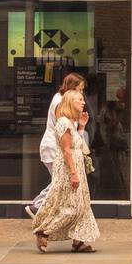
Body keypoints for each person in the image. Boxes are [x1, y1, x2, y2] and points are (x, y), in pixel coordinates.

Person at [30, 89, 100, 253]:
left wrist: (81, 127)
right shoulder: (63, 122)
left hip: (77, 166)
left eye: (83, 99)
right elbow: (66, 150)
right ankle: (44, 231)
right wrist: (74, 173)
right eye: (79, 99)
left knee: (83, 205)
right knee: (72, 207)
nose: (83, 102)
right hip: (69, 169)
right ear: (70, 102)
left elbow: (80, 146)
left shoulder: (71, 123)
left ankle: (79, 240)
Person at [26, 73, 88, 219]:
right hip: (54, 148)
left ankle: (38, 204)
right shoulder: (62, 103)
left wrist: (80, 127)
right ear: (72, 88)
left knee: (59, 181)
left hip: (54, 147)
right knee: (62, 181)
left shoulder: (60, 99)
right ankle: (37, 206)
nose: (81, 94)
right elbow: (64, 131)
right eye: (80, 89)